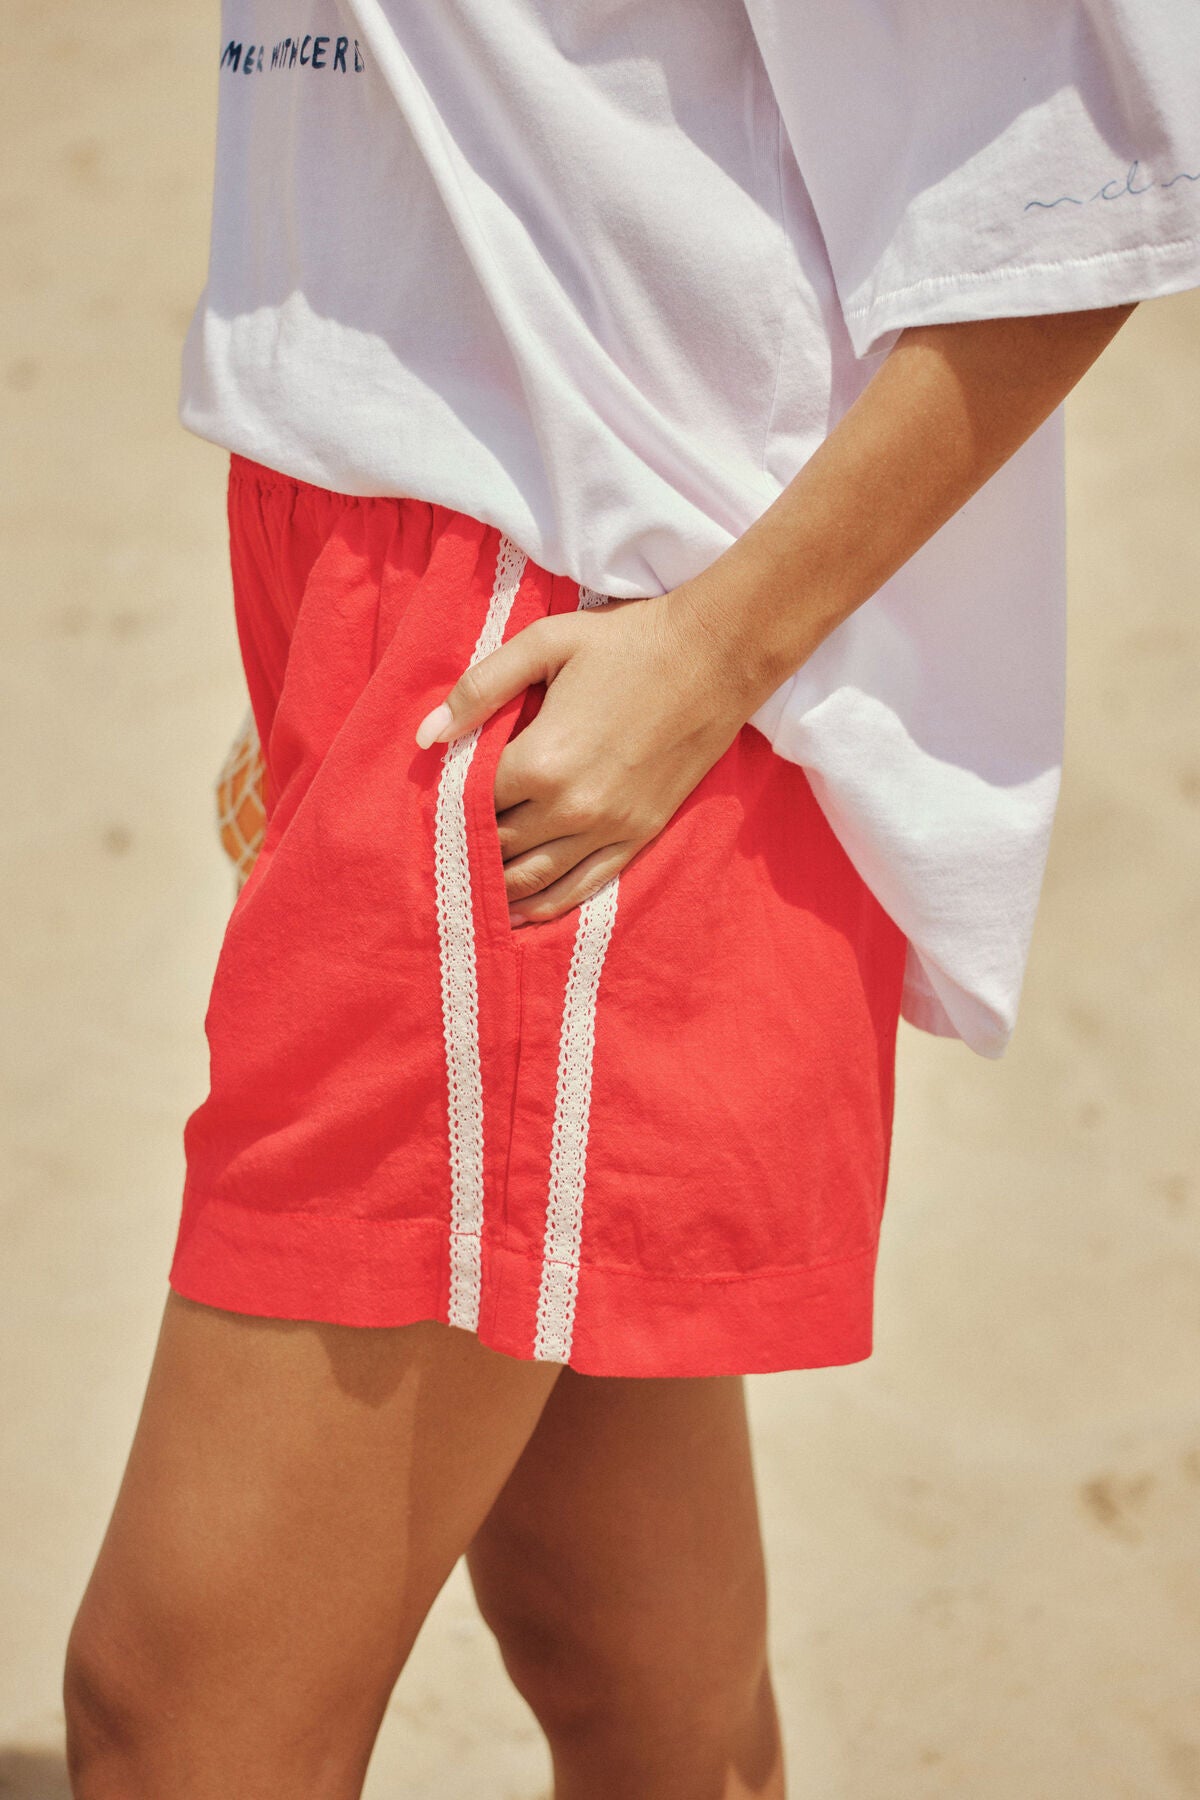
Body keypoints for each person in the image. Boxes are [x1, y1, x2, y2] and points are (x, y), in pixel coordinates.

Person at [62, 4, 1199, 1796]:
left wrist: (714, 652)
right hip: (412, 582)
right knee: (630, 1671)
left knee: (178, 1717)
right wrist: (326, 665)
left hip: (551, 668)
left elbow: (1081, 163)